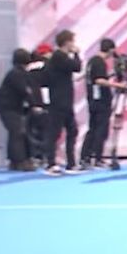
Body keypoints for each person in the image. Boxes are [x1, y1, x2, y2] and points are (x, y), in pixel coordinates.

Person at [0, 48, 42, 171]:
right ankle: (21, 161)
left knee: (16, 133)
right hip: (9, 108)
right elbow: (25, 91)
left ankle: (15, 161)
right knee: (18, 133)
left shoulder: (17, 73)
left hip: (10, 108)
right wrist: (34, 105)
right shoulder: (17, 74)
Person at [80, 38, 127, 169]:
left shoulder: (92, 61)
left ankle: (86, 156)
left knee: (93, 128)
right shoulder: (99, 62)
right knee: (100, 129)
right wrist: (118, 84)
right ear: (111, 50)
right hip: (100, 100)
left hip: (93, 99)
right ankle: (97, 157)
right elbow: (99, 80)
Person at [42, 29, 83, 176]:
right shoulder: (59, 56)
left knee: (72, 130)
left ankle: (71, 163)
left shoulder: (59, 57)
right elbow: (77, 67)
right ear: (67, 42)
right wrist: (76, 54)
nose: (74, 44)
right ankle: (50, 164)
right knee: (54, 132)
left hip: (64, 100)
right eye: (72, 41)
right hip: (59, 100)